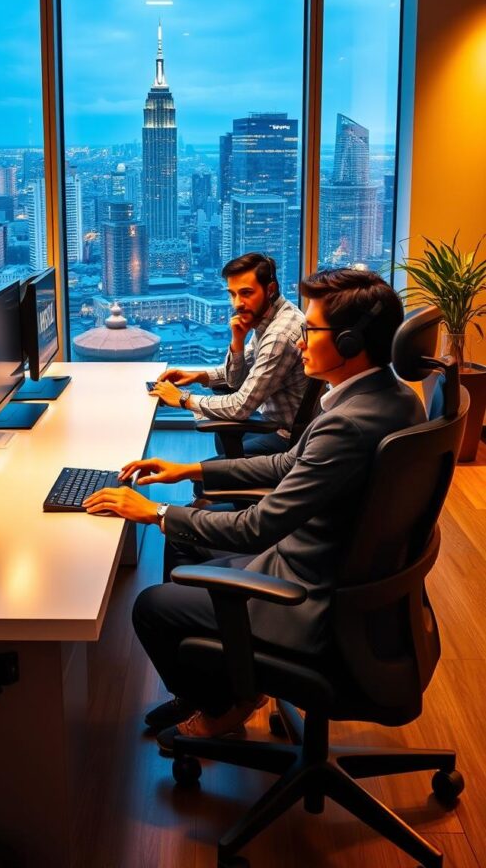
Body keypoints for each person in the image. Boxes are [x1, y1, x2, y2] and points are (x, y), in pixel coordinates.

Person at [83, 269, 426, 751]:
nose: (301, 341)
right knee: (189, 543)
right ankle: (222, 681)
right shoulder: (391, 399)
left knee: (152, 607)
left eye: (312, 331)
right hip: (347, 575)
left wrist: (155, 512)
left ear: (349, 342)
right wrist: (190, 471)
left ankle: (226, 704)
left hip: (312, 596)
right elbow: (289, 461)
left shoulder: (348, 423)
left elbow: (257, 526)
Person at [149, 252, 306, 456]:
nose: (237, 303)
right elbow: (235, 379)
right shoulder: (272, 316)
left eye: (246, 293)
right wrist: (200, 375)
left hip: (285, 437)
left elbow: (240, 406)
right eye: (232, 294)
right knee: (223, 438)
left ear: (270, 290)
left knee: (206, 477)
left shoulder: (279, 334)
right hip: (271, 423)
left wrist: (182, 399)